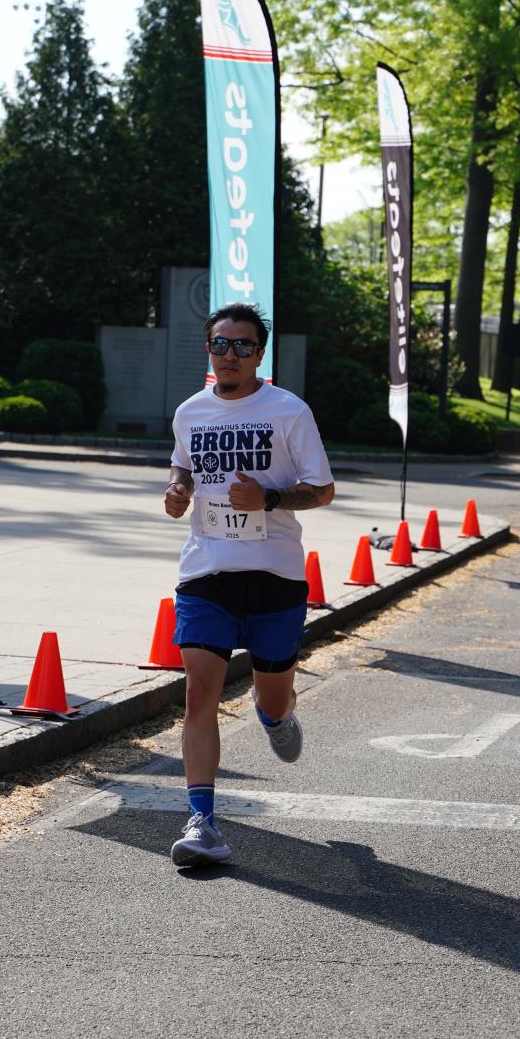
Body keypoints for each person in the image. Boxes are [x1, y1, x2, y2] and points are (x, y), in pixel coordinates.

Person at [163, 302, 335, 868]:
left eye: (242, 345)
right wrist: (178, 489)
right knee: (199, 692)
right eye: (220, 344)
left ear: (260, 354)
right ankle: (203, 822)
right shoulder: (191, 412)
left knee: (272, 693)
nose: (230, 354)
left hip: (275, 574)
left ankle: (276, 716)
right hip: (206, 571)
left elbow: (323, 489)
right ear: (209, 351)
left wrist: (270, 498)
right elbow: (183, 464)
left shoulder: (288, 411)